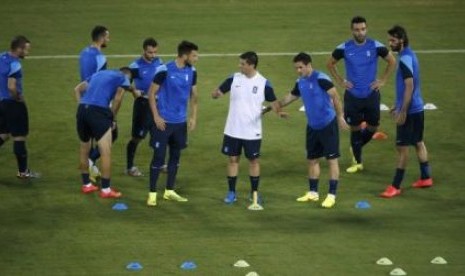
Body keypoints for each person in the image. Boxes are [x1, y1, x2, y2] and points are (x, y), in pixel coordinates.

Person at [277, 52, 348, 208]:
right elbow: (291, 96)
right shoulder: (300, 81)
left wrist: (340, 117)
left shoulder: (321, 79)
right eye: (296, 68)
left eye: (300, 67)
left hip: (327, 125)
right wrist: (277, 105)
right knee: (312, 159)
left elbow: (335, 97)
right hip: (312, 126)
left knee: (331, 160)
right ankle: (313, 192)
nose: (298, 71)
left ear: (309, 65)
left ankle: (331, 195)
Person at [212, 51, 281, 211]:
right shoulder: (233, 78)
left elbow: (274, 102)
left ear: (251, 65)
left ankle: (254, 193)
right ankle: (231, 192)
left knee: (253, 161)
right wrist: (216, 94)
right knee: (232, 160)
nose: (240, 66)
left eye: (243, 63)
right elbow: (218, 92)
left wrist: (277, 111)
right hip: (233, 129)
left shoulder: (264, 83)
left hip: (252, 132)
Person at [327, 16, 396, 173]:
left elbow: (391, 61)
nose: (360, 32)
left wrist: (383, 80)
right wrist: (340, 81)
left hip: (372, 94)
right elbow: (330, 63)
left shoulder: (376, 46)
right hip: (353, 96)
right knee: (355, 128)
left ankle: (356, 147)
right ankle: (357, 162)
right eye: (357, 29)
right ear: (352, 31)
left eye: (363, 29)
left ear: (366, 29)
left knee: (373, 127)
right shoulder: (344, 48)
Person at [380, 25, 433, 198]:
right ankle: (426, 177)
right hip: (417, 107)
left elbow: (409, 85)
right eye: (389, 40)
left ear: (401, 40)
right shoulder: (409, 55)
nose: (390, 43)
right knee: (418, 141)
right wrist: (398, 104)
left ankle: (395, 186)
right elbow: (409, 86)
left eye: (393, 40)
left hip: (410, 111)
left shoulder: (404, 60)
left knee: (402, 147)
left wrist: (403, 110)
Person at [146, 40, 199, 207]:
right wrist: (156, 117)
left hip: (180, 123)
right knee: (159, 157)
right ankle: (152, 193)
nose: (196, 58)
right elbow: (151, 93)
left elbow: (194, 95)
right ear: (184, 55)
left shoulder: (192, 71)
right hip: (163, 122)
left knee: (175, 157)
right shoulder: (164, 70)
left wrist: (193, 117)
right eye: (194, 55)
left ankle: (169, 191)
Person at [74, 67, 135, 198]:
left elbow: (77, 89)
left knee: (84, 149)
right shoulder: (123, 77)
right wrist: (112, 117)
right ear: (128, 77)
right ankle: (106, 190)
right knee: (105, 151)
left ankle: (86, 185)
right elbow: (118, 98)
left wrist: (83, 107)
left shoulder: (99, 74)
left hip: (82, 110)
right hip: (99, 112)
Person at [0, 35, 39, 179]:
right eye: (26, 50)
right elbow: (11, 87)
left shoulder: (1, 57)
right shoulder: (15, 64)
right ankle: (23, 172)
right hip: (12, 104)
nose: (27, 53)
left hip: (1, 103)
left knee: (3, 133)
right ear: (19, 49)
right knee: (19, 137)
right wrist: (18, 97)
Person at [125, 38, 163, 177]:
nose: (153, 55)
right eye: (150, 52)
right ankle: (130, 167)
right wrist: (133, 90)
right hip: (143, 105)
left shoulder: (159, 62)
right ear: (144, 50)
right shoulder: (135, 66)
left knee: (160, 133)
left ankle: (159, 163)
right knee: (137, 137)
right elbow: (123, 82)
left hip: (158, 104)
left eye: (155, 52)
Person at [78, 25, 111, 182]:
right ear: (102, 37)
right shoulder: (100, 58)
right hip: (98, 102)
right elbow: (102, 81)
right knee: (110, 134)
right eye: (107, 36)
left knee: (87, 140)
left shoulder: (83, 53)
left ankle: (89, 172)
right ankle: (91, 164)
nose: (109, 39)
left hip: (84, 100)